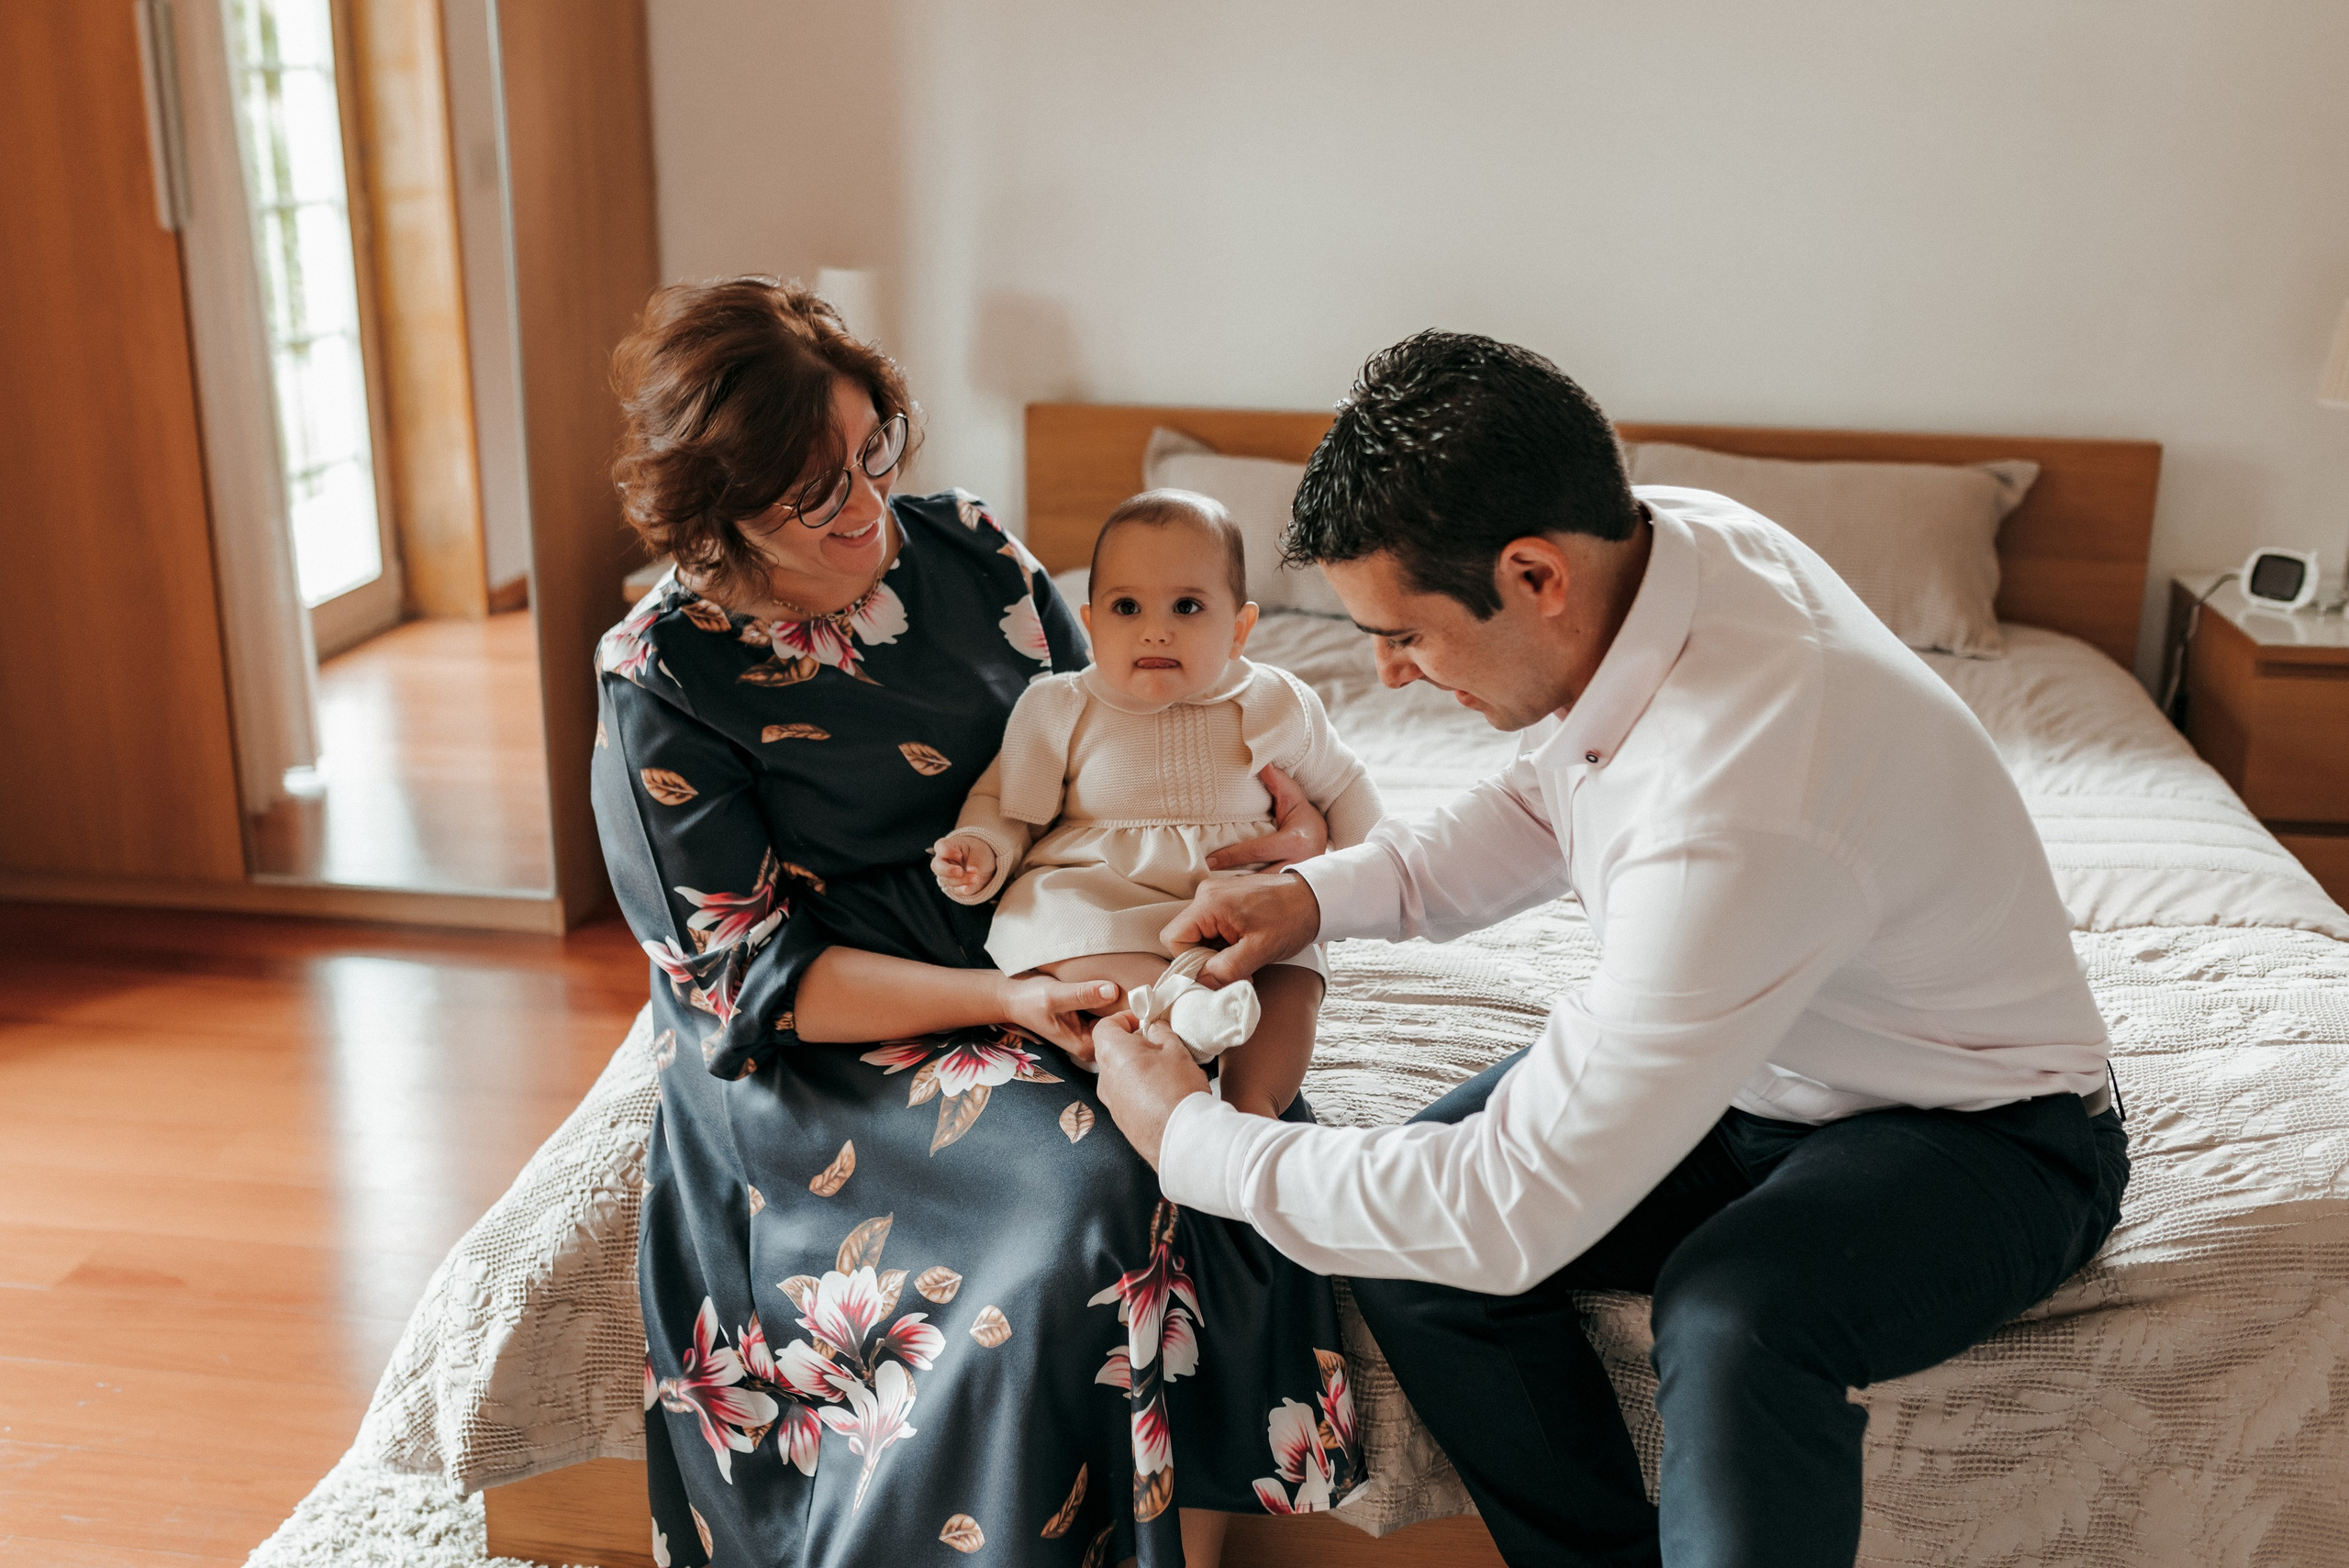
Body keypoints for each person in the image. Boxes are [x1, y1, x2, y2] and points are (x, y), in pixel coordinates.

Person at [1093, 330, 2131, 1568]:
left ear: (1533, 574)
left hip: (1986, 1131)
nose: (1388, 672)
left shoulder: (1736, 805)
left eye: (1407, 633)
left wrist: (1190, 1137)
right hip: (1763, 1068)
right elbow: (1551, 796)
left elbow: (1505, 1212)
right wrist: (1316, 897)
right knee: (1411, 1259)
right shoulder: (1667, 543)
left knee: (1734, 1313)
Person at [593, 277, 1362, 1568]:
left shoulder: (973, 552)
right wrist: (1009, 1002)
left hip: (1047, 935)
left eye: (871, 452)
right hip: (838, 1033)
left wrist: (1273, 831)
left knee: (1221, 1137)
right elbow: (753, 982)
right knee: (1104, 1181)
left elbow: (1112, 740)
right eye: (813, 491)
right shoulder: (663, 678)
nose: (864, 504)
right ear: (721, 504)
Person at [931, 488, 1381, 1113]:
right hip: (1104, 892)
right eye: (1126, 607)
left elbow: (1346, 787)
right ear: (1091, 625)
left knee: (1293, 974)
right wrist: (983, 848)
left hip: (1242, 903)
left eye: (1187, 606)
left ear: (1239, 629)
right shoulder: (1060, 706)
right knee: (1057, 926)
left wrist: (1374, 877)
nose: (1155, 629)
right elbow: (1008, 804)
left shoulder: (1277, 701)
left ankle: (1254, 1106)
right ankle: (1180, 1008)